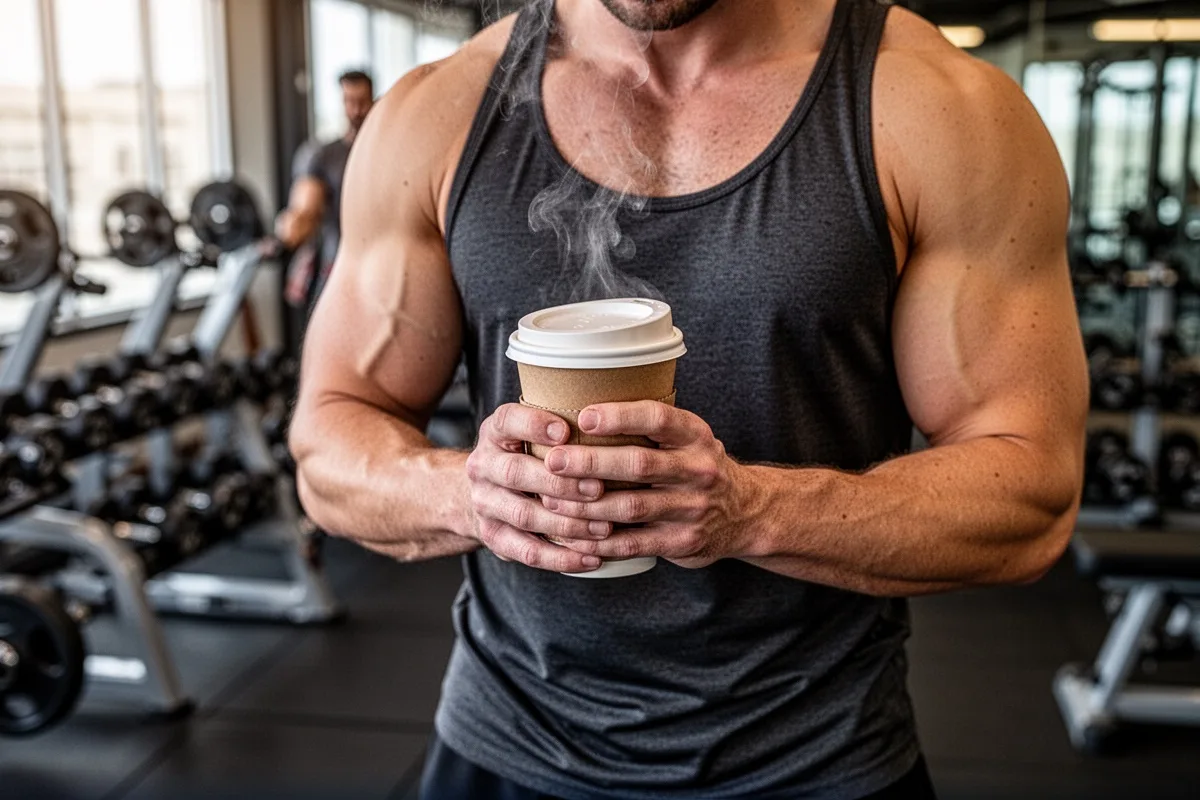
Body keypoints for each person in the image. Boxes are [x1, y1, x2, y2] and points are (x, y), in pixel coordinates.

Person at [291, 0, 1088, 797]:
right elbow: (328, 444)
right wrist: (477, 495)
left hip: (815, 762)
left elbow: (1032, 494)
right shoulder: (438, 114)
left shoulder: (936, 108)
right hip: (507, 746)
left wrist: (754, 512)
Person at [275, 69, 375, 309]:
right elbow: (304, 210)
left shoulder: (387, 150)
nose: (356, 110)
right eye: (349, 101)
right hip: (337, 264)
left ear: (372, 99)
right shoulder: (324, 156)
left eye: (362, 101)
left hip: (380, 262)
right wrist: (293, 224)